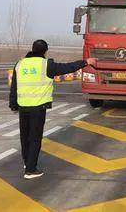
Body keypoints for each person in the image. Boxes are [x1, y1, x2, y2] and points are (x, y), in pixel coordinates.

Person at [9, 39, 96, 179]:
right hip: (38, 107)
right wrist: (86, 62)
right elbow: (67, 67)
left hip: (23, 107)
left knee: (25, 137)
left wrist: (13, 105)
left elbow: (14, 86)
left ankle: (27, 163)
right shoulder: (46, 65)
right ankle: (31, 170)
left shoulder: (20, 64)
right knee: (35, 138)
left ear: (32, 49)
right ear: (45, 51)